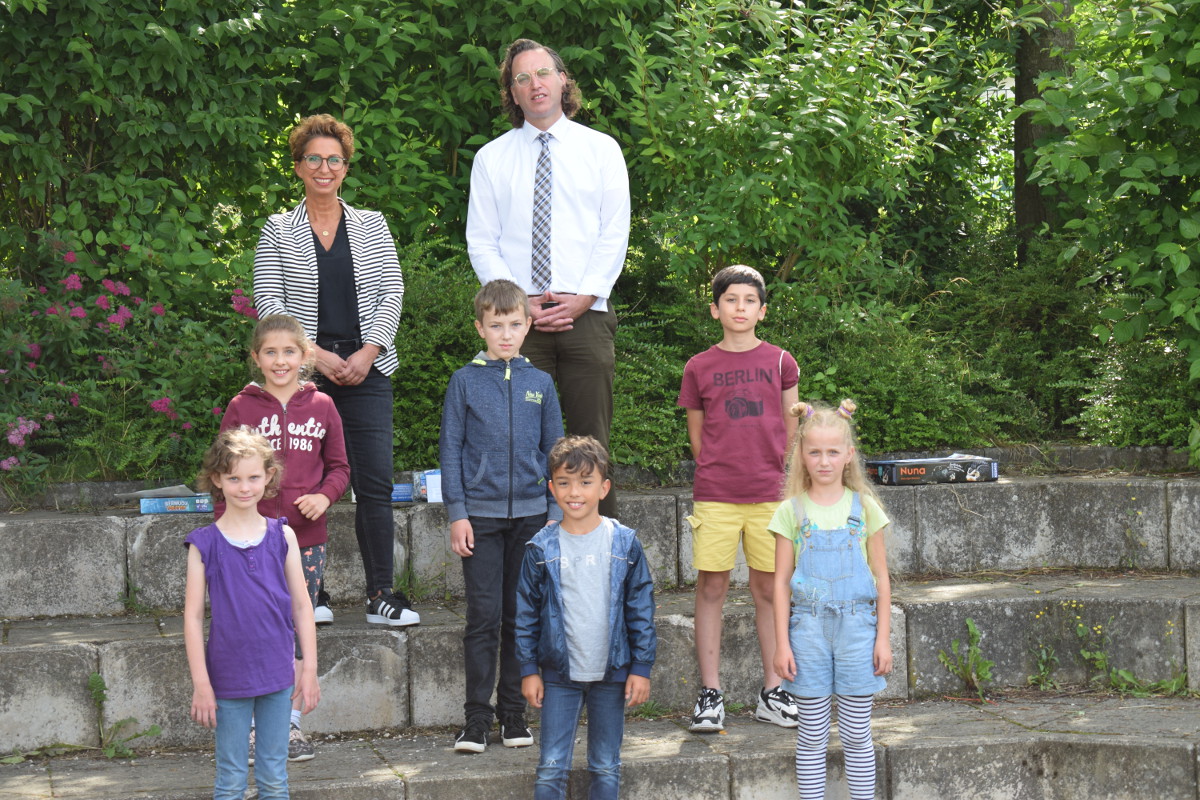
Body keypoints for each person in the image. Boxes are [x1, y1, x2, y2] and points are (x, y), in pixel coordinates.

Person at [253, 113, 418, 628]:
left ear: (345, 167)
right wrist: (313, 356)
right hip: (300, 377)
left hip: (368, 368)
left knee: (374, 482)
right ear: (298, 165)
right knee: (298, 481)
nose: (324, 167)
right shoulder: (277, 229)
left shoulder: (373, 224)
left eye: (334, 159)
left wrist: (369, 351)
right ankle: (311, 592)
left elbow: (392, 290)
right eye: (314, 158)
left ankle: (382, 596)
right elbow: (268, 302)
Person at [466, 37, 630, 518]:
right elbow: (482, 240)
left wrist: (583, 298)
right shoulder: (491, 159)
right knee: (516, 441)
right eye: (522, 78)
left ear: (563, 81)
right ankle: (530, 558)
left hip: (588, 318)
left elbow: (614, 232)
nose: (534, 84)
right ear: (512, 94)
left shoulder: (601, 150)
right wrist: (518, 307)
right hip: (518, 327)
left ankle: (606, 557)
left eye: (543, 73)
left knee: (592, 444)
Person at [439, 279, 565, 753]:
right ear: (481, 328)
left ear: (529, 326)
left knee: (519, 617)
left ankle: (513, 715)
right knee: (483, 616)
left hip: (532, 519)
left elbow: (555, 449)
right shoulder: (464, 381)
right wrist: (458, 513)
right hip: (481, 519)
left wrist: (554, 510)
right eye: (497, 326)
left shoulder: (541, 383)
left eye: (515, 325)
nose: (506, 334)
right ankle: (476, 719)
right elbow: (450, 450)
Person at [218, 313, 349, 762]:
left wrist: (324, 498)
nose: (280, 360)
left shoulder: (323, 406)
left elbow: (341, 469)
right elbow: (223, 473)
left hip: (306, 540)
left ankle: (289, 727)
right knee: (253, 629)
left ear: (305, 355)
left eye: (289, 351)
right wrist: (223, 534)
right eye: (270, 352)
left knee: (296, 627)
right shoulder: (241, 407)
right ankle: (254, 728)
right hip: (249, 541)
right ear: (256, 358)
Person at [677, 264, 800, 732]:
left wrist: (781, 480)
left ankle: (773, 691)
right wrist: (723, 473)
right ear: (715, 309)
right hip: (717, 496)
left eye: (750, 301)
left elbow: (792, 430)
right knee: (712, 587)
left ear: (763, 310)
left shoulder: (781, 361)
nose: (740, 308)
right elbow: (697, 439)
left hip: (771, 496)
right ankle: (710, 694)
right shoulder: (699, 366)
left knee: (769, 589)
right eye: (731, 300)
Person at [516, 435, 656, 800]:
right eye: (563, 482)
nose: (574, 492)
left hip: (612, 672)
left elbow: (640, 608)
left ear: (604, 487)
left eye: (585, 482)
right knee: (550, 769)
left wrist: (641, 667)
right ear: (551, 487)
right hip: (559, 675)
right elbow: (526, 614)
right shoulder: (540, 548)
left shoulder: (624, 543)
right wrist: (529, 668)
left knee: (606, 765)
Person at [184, 427, 321, 800]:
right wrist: (201, 683)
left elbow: (301, 605)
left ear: (269, 477)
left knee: (275, 778)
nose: (245, 487)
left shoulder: (283, 535)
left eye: (254, 477)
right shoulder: (203, 544)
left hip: (278, 674)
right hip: (227, 677)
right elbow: (193, 619)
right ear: (217, 479)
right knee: (230, 779)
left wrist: (308, 668)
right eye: (234, 478)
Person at [771, 400, 893, 800]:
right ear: (801, 456)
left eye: (833, 451)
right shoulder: (792, 511)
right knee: (812, 735)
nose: (824, 461)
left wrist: (882, 638)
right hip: (807, 631)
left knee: (858, 734)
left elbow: (882, 578)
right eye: (815, 452)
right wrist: (782, 644)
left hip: (858, 629)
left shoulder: (864, 508)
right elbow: (779, 583)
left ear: (848, 456)